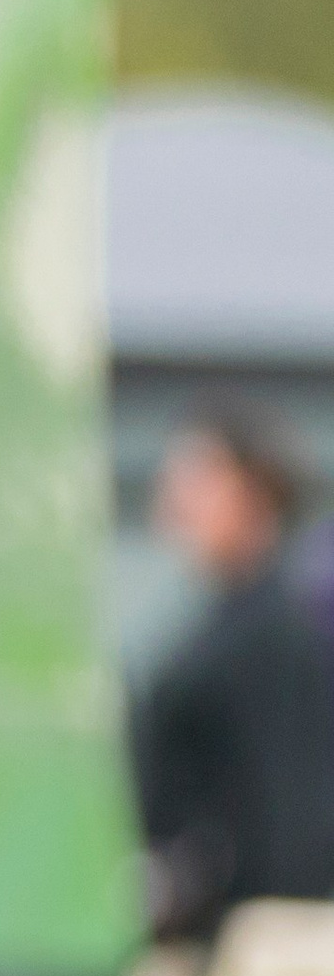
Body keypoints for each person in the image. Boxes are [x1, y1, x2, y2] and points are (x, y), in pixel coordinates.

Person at [132, 401, 334, 944]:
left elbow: (290, 823)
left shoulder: (276, 633)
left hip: (249, 943)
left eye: (200, 479)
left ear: (255, 491)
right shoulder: (221, 621)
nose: (178, 500)